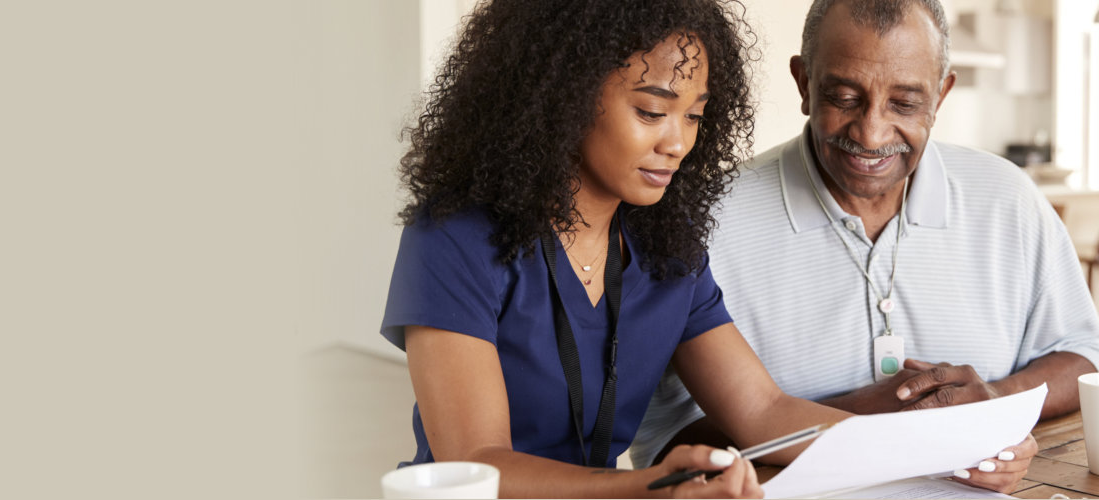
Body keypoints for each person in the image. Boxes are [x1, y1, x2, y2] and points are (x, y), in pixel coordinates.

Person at [378, 0, 1031, 497]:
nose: (678, 142)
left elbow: (764, 411)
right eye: (652, 110)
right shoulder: (454, 237)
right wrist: (652, 486)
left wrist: (948, 446)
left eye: (694, 115)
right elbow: (479, 466)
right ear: (563, 98)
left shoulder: (667, 249)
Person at [632, 0, 1099, 488]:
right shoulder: (706, 222)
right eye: (843, 97)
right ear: (804, 84)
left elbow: (1083, 352)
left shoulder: (1009, 197)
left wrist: (991, 405)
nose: (872, 133)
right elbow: (670, 448)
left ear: (941, 96)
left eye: (904, 103)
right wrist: (872, 418)